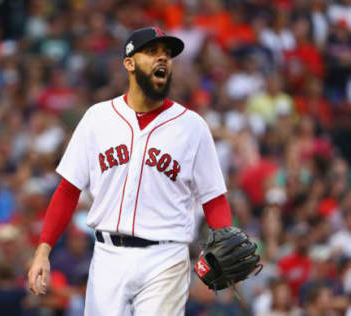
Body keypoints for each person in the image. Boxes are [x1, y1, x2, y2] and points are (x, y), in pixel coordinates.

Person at [27, 26, 235, 316]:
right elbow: (67, 191)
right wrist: (43, 249)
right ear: (129, 63)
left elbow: (213, 198)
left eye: (167, 55)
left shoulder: (193, 127)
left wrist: (224, 235)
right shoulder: (97, 118)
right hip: (108, 256)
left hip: (166, 256)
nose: (162, 59)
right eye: (152, 52)